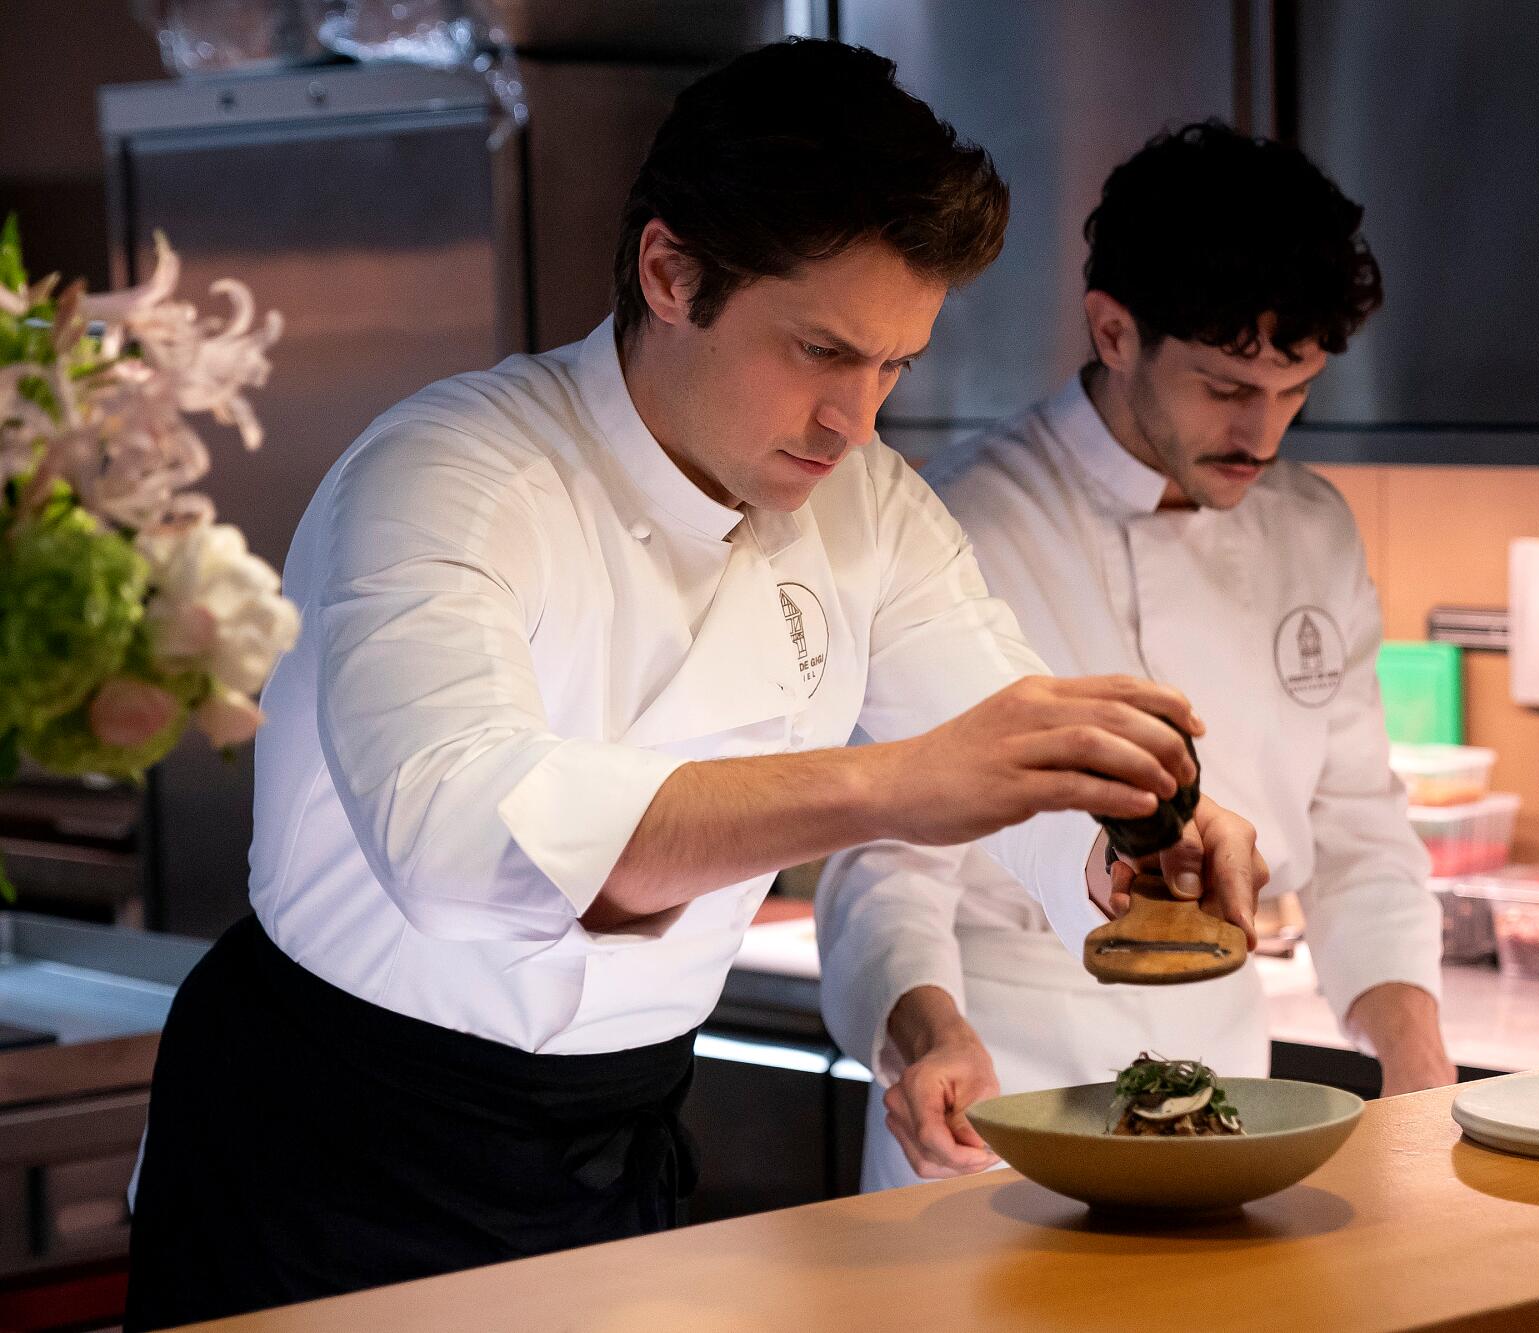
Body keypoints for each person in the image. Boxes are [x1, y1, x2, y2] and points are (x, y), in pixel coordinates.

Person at [123, 46, 1265, 1329]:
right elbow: (459, 845)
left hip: (611, 1146)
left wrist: (1134, 829)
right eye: (820, 349)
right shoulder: (449, 472)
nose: (854, 422)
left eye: (892, 365)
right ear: (669, 272)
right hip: (331, 1146)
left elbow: (999, 726)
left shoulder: (866, 511)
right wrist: (885, 785)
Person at [816, 122, 1453, 1191]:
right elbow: (884, 858)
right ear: (1112, 333)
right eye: (1223, 387)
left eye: (1294, 389)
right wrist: (928, 1038)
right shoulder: (959, 520)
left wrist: (1416, 1054)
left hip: (1229, 1092)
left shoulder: (1313, 530)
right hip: (996, 1092)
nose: (1264, 432)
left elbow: (1357, 832)